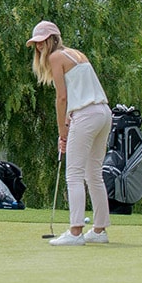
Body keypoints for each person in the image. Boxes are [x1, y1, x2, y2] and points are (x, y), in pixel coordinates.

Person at [28, 20, 112, 246]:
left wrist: (62, 130)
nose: (39, 47)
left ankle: (76, 232)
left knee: (74, 174)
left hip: (86, 115)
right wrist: (66, 126)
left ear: (52, 39)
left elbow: (62, 98)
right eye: (36, 43)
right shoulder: (77, 54)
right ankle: (99, 230)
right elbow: (78, 94)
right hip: (103, 113)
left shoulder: (56, 57)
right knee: (93, 174)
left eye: (42, 42)